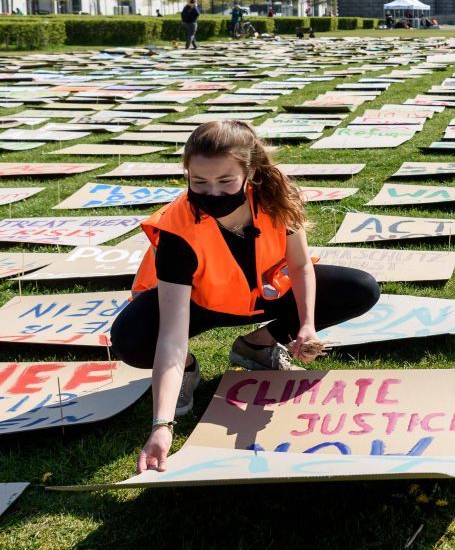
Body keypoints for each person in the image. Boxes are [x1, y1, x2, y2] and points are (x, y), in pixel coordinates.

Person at [112, 120, 380, 473]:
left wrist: (307, 325)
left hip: (266, 295)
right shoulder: (177, 232)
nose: (212, 194)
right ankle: (188, 373)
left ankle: (258, 345)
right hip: (201, 304)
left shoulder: (278, 198)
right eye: (199, 182)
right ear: (186, 175)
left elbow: (300, 268)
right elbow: (172, 337)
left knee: (360, 288)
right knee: (129, 340)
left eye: (225, 182)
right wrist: (161, 426)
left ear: (250, 172)